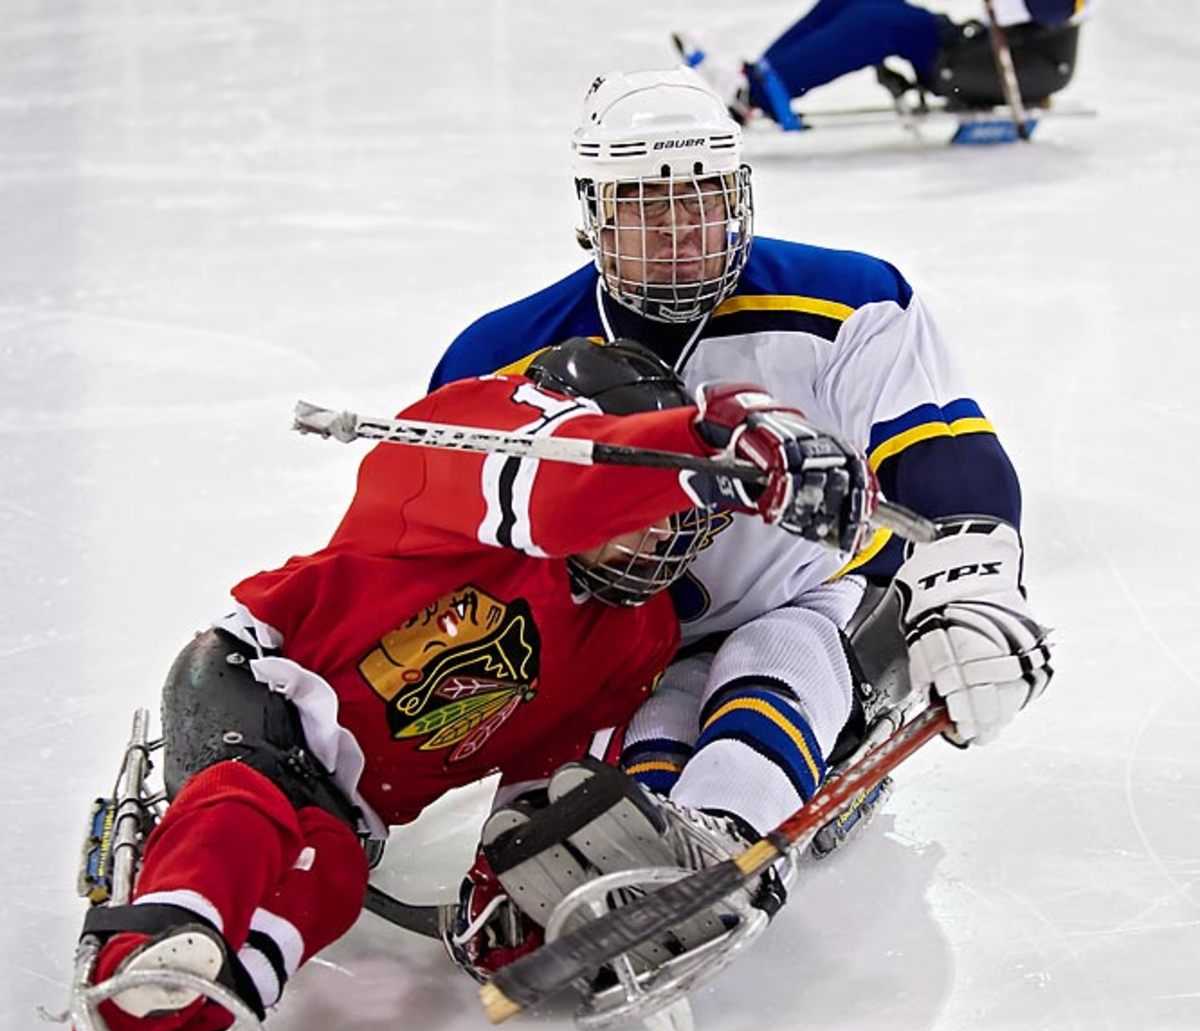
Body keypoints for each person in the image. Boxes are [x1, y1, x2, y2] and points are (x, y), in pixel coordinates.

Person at [71, 336, 872, 1031]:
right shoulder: (461, 441)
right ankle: (158, 941)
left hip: (356, 794)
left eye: (681, 519)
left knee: (332, 875)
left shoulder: (636, 633)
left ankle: (213, 1012)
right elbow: (554, 489)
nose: (664, 534)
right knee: (250, 803)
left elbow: (553, 765)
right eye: (652, 509)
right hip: (261, 677)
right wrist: (703, 438)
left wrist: (517, 876)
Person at [428, 66, 1053, 972]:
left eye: (703, 200)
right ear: (593, 213)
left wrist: (976, 577)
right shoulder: (497, 356)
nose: (683, 234)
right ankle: (640, 830)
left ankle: (723, 836)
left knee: (776, 649)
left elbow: (940, 442)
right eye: (647, 208)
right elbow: (449, 540)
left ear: (741, 192)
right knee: (599, 765)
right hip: (616, 634)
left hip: (815, 592)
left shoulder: (847, 298)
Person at [672, 0, 1090, 128]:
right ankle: (756, 78)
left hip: (1003, 68)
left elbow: (1052, 9)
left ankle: (759, 94)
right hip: (975, 48)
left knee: (878, 23)